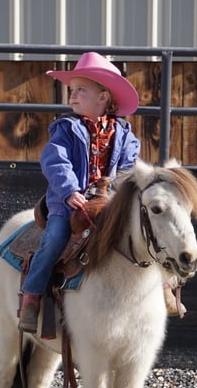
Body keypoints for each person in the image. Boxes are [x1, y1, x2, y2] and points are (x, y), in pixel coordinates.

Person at [18, 52, 183, 335]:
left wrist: (117, 194)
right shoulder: (66, 129)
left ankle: (163, 284)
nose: (73, 95)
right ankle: (31, 296)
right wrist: (70, 190)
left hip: (108, 203)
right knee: (54, 239)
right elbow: (55, 160)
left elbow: (129, 170)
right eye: (72, 90)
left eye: (81, 90)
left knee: (144, 233)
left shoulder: (125, 136)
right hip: (68, 204)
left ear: (103, 97)